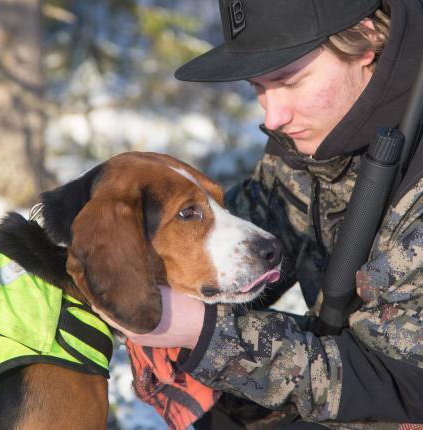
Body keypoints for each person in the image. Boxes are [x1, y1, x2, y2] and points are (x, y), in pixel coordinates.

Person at [102, 0, 423, 428]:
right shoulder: (314, 133)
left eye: (288, 80)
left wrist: (206, 335)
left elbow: (403, 387)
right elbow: (250, 245)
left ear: (366, 39)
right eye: (258, 86)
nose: (273, 116)